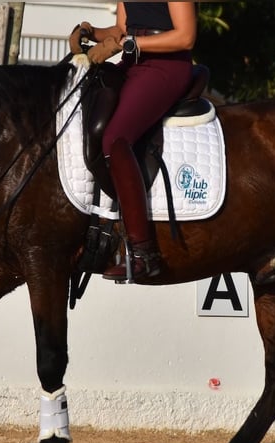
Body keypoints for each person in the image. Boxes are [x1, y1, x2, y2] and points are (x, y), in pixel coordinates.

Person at [69, 2, 197, 281]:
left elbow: (185, 36)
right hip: (132, 63)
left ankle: (144, 253)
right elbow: (121, 29)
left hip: (167, 66)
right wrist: (89, 32)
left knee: (116, 138)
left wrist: (131, 44)